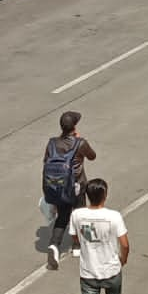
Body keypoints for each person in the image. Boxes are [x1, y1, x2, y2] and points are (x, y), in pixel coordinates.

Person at [71, 178, 129, 294]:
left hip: (88, 271)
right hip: (111, 270)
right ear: (105, 195)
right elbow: (125, 244)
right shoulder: (114, 217)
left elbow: (75, 237)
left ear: (87, 196)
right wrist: (123, 259)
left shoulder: (78, 215)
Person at [43, 110, 97, 271]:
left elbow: (46, 161)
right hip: (77, 184)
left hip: (58, 185)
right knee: (81, 213)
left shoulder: (52, 142)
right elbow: (92, 156)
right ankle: (79, 247)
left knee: (63, 216)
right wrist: (79, 140)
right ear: (74, 127)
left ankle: (54, 245)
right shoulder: (80, 143)